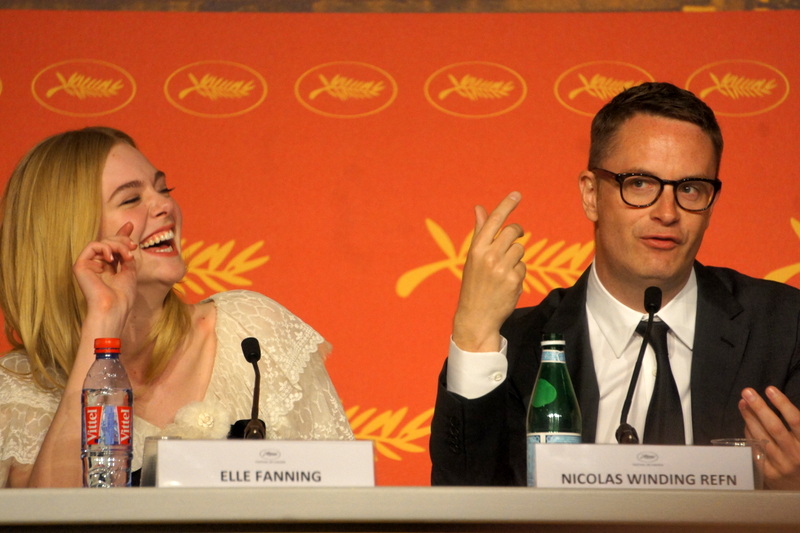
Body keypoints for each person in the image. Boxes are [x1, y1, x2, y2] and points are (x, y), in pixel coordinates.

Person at [430, 82, 800, 489]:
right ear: (591, 195)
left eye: (690, 189)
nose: (667, 212)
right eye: (640, 184)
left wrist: (791, 496)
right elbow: (463, 503)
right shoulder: (518, 347)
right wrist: (472, 335)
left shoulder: (785, 328)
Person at [0, 127, 353, 488]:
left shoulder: (249, 335)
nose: (165, 206)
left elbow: (342, 495)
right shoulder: (22, 388)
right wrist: (102, 324)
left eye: (163, 189)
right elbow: (53, 514)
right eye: (131, 199)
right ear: (70, 234)